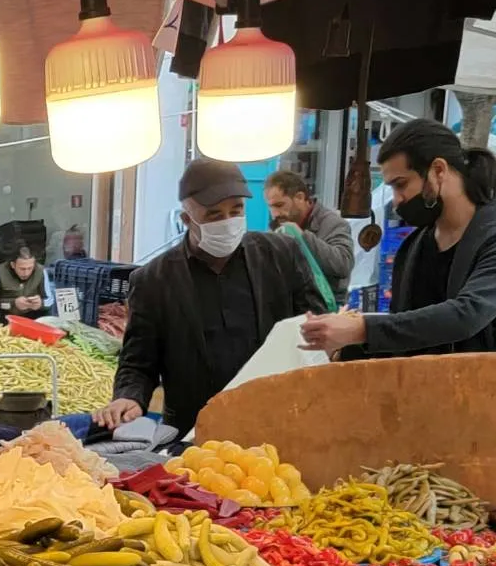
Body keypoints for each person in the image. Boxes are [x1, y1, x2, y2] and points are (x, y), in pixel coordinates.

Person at [94, 157, 325, 438]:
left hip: (277, 423)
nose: (228, 222)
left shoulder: (282, 255)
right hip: (195, 434)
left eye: (236, 210)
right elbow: (139, 362)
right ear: (187, 220)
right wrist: (129, 397)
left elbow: (315, 331)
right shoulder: (153, 281)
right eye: (214, 215)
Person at [302, 121, 496, 359]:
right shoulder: (414, 249)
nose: (397, 201)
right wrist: (342, 352)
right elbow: (408, 336)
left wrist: (361, 329)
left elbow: (467, 315)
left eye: (401, 185)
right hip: (428, 391)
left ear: (438, 170)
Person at [263, 168, 354, 308]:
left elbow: (343, 264)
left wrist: (302, 237)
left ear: (300, 197)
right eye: (271, 207)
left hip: (327, 309)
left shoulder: (333, 223)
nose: (275, 213)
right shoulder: (278, 226)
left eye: (280, 205)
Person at [0, 245, 48, 319]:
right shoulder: (0, 271)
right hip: (6, 316)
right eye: (22, 269)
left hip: (32, 316)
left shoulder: (41, 271)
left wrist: (41, 304)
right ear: (13, 265)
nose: (26, 273)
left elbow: (50, 300)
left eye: (30, 268)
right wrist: (13, 303)